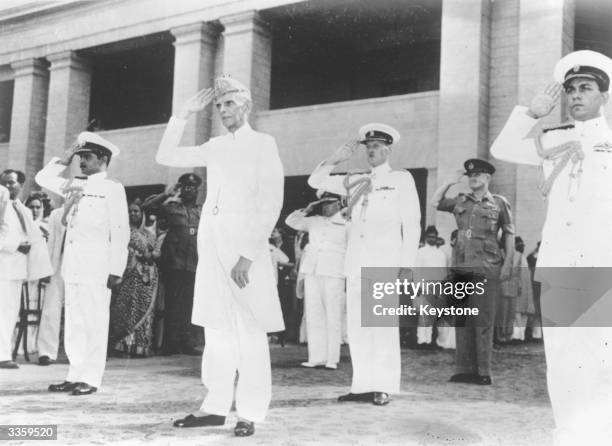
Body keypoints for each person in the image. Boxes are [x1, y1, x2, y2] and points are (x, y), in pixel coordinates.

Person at [490, 49, 612, 444]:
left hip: (601, 263)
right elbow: (503, 151)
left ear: (604, 96)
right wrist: (531, 113)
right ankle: (570, 436)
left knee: (603, 357)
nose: (577, 95)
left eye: (586, 88)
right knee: (562, 360)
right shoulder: (550, 138)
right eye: (571, 89)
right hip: (560, 262)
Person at [155, 75, 284, 437]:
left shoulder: (263, 143)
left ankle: (250, 412)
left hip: (245, 252)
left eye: (229, 103)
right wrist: (182, 114)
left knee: (250, 332)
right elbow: (164, 156)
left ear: (245, 106)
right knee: (216, 331)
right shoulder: (215, 145)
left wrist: (247, 254)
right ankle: (214, 407)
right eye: (219, 105)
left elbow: (270, 201)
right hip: (211, 252)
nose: (223, 110)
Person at [308, 123, 421, 406]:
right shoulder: (355, 178)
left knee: (380, 325)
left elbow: (412, 223)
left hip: (384, 262)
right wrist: (335, 159)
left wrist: (407, 264)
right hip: (356, 263)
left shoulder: (401, 179)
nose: (370, 151)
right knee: (357, 326)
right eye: (367, 147)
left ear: (388, 149)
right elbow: (316, 181)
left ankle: (383, 385)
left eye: (376, 147)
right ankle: (361, 385)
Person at [35, 132, 129, 396]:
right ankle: (74, 374)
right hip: (73, 264)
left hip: (98, 266)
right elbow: (42, 179)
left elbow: (121, 231)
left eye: (87, 157)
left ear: (102, 158)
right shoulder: (75, 183)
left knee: (94, 321)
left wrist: (116, 269)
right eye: (80, 157)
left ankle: (91, 377)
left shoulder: (112, 188)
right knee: (75, 321)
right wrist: (63, 160)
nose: (82, 162)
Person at [434, 159, 514, 385]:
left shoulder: (499, 203)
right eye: (470, 175)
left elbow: (508, 233)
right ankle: (463, 369)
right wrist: (450, 181)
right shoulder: (461, 200)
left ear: (488, 178)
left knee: (483, 319)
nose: (473, 178)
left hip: (487, 266)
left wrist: (508, 262)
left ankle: (483, 371)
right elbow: (435, 201)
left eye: (478, 175)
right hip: (461, 266)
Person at [286, 190, 347, 369]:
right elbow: (291, 222)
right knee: (314, 315)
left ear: (338, 204)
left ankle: (332, 359)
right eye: (323, 203)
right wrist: (307, 208)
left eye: (330, 203)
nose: (326, 207)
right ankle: (316, 357)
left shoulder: (346, 223)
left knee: (333, 315)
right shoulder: (313, 221)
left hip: (334, 272)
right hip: (312, 270)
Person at [143, 174, 203, 355]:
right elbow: (147, 207)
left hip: (194, 263)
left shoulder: (202, 211)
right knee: (172, 304)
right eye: (185, 187)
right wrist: (166, 194)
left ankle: (186, 342)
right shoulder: (171, 208)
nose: (189, 190)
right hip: (174, 263)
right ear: (181, 189)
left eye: (192, 187)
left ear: (197, 190)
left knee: (189, 304)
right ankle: (170, 343)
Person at [0, 170, 52, 369]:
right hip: (3, 265)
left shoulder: (22, 209)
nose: (7, 187)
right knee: (2, 312)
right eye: (4, 183)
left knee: (11, 312)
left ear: (21, 184)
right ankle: (2, 355)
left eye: (11, 183)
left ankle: (5, 352)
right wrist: (16, 246)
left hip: (18, 268)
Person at [109, 200, 159, 357]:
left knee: (144, 311)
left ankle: (140, 346)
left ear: (142, 213)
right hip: (129, 275)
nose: (133, 214)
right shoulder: (123, 232)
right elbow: (119, 251)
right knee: (127, 308)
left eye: (136, 211)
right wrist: (135, 255)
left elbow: (156, 251)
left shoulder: (149, 234)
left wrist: (150, 256)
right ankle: (123, 345)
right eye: (130, 211)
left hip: (147, 278)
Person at [36, 206, 66, 365]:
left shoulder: (90, 211)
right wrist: (46, 269)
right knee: (51, 308)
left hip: (80, 266)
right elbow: (52, 242)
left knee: (79, 310)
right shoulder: (57, 214)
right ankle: (46, 352)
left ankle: (76, 353)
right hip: (58, 264)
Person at [414, 225, 448, 349]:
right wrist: (417, 287)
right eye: (429, 236)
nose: (432, 238)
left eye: (434, 236)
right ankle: (422, 340)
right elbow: (417, 271)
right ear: (426, 237)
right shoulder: (420, 252)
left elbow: (443, 273)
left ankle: (431, 340)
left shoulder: (441, 254)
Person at [495, 236, 523, 346]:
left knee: (511, 313)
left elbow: (519, 271)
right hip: (502, 286)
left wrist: (519, 285)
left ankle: (508, 335)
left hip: (514, 286)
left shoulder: (518, 255)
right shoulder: (500, 253)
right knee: (502, 313)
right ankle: (500, 336)